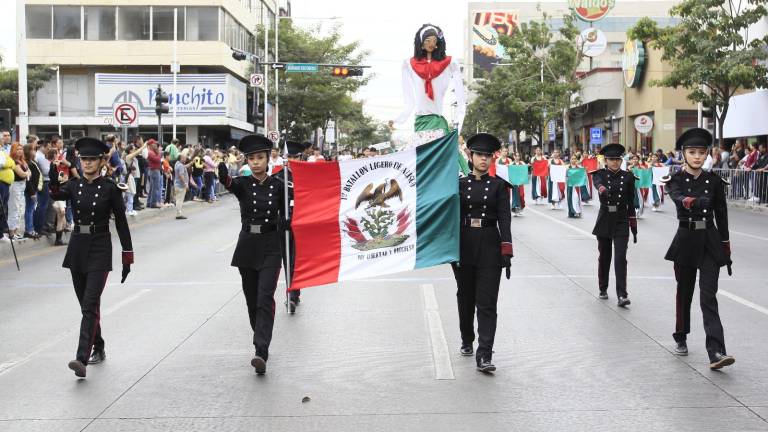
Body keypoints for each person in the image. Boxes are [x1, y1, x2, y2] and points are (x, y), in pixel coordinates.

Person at [48, 137, 133, 378]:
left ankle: (81, 358)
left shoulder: (110, 188)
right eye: (83, 159)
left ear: (102, 161)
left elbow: (123, 224)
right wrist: (54, 175)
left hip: (99, 247)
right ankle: (100, 345)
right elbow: (56, 194)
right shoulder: (74, 185)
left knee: (89, 304)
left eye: (91, 159)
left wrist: (127, 256)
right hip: (77, 247)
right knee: (87, 305)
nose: (86, 163)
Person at [662, 128, 735, 370]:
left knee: (708, 296)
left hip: (710, 243)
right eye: (692, 152)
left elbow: (722, 216)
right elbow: (677, 198)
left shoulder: (714, 181)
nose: (697, 157)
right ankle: (681, 335)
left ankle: (716, 351)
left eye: (701, 153)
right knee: (684, 293)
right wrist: (691, 201)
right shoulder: (675, 180)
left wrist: (726, 246)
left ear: (706, 156)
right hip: (686, 241)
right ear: (683, 154)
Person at [217, 134, 285, 375]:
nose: (256, 162)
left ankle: (261, 350)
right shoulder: (242, 183)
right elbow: (227, 182)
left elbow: (291, 212)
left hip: (270, 245)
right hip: (248, 246)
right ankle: (259, 337)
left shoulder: (279, 186)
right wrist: (222, 170)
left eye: (260, 158)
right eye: (252, 159)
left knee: (265, 297)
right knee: (252, 300)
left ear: (269, 159)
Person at [452, 133, 513, 373]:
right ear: (470, 156)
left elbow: (505, 220)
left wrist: (506, 249)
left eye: (488, 156)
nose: (484, 160)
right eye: (479, 155)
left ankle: (485, 354)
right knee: (465, 299)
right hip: (464, 246)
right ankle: (467, 338)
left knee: (487, 304)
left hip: (489, 246)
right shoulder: (458, 185)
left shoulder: (499, 186)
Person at [591, 143, 637, 307]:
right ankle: (603, 287)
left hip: (621, 219)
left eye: (617, 159)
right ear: (606, 161)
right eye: (611, 159)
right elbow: (597, 182)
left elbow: (631, 202)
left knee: (620, 258)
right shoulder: (600, 174)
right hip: (605, 218)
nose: (615, 162)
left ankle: (622, 295)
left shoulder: (629, 177)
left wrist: (634, 226)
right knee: (604, 257)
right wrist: (602, 188)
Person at [273, 140, 307, 313]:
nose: (293, 160)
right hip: (285, 223)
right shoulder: (279, 176)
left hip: (304, 223)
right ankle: (291, 295)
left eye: (296, 157)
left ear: (302, 157)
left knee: (298, 260)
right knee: (289, 259)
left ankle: (295, 291)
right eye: (289, 157)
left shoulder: (309, 176)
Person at [7, 143, 30, 240]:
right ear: (13, 150)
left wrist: (26, 174)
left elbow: (29, 173)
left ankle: (16, 232)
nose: (20, 151)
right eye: (17, 149)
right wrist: (26, 174)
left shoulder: (22, 161)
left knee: (21, 208)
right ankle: (11, 232)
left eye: (21, 149)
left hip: (22, 186)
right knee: (14, 208)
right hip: (15, 186)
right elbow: (21, 174)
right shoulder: (13, 161)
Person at [23, 144, 42, 239]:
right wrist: (32, 192)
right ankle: (29, 230)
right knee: (29, 210)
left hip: (35, 189)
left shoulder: (32, 161)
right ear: (28, 151)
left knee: (32, 209)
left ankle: (31, 229)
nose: (35, 152)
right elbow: (28, 179)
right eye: (33, 150)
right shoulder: (27, 163)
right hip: (31, 190)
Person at [145, 139, 163, 208]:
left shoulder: (151, 151)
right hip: (154, 170)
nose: (156, 145)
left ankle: (149, 202)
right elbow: (157, 159)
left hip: (154, 170)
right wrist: (159, 153)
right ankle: (153, 203)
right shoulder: (151, 152)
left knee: (152, 188)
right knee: (155, 188)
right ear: (151, 145)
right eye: (154, 144)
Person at [174, 153, 190, 220]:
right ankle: (178, 214)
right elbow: (181, 175)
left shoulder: (177, 164)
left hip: (177, 184)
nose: (185, 159)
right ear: (181, 158)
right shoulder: (180, 165)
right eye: (184, 158)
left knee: (178, 199)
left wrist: (191, 163)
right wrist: (186, 183)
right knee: (179, 200)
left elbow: (184, 167)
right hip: (180, 185)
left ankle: (178, 212)